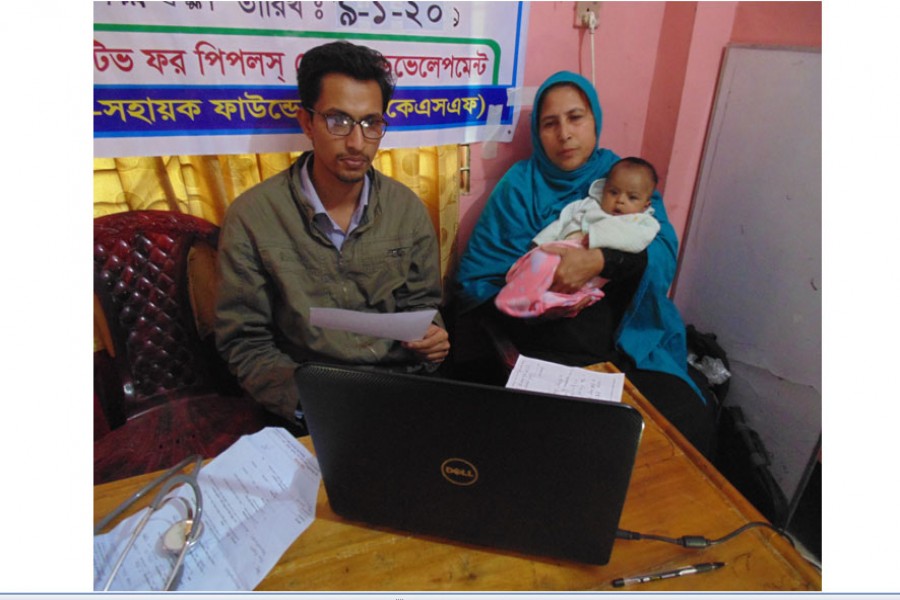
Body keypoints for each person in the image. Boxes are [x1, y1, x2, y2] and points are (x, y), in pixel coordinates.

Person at [455, 71, 716, 457]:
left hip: (625, 334)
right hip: (547, 343)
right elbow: (477, 278)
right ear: (537, 132)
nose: (564, 133)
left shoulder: (624, 176)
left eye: (576, 118)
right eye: (550, 123)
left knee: (687, 415)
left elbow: (660, 252)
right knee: (572, 439)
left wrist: (600, 258)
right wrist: (533, 307)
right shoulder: (519, 186)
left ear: (595, 120)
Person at [215, 41, 450, 425]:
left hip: (398, 392)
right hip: (309, 404)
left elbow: (422, 308)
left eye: (371, 123)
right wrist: (312, 403)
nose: (357, 142)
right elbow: (245, 341)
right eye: (338, 121)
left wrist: (432, 337)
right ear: (307, 122)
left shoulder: (406, 210)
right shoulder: (254, 217)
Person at [494, 157, 661, 319]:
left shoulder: (640, 222)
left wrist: (597, 237)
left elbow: (637, 240)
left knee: (559, 276)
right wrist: (539, 242)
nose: (620, 201)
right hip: (561, 248)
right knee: (539, 259)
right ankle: (528, 295)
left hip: (590, 266)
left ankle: (522, 300)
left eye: (632, 197)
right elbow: (561, 223)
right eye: (613, 192)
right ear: (603, 190)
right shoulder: (587, 205)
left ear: (645, 205)